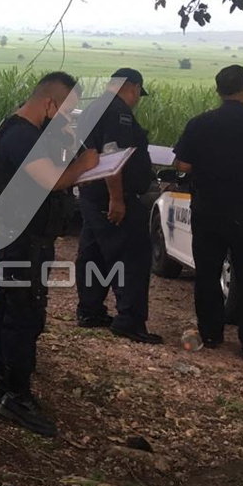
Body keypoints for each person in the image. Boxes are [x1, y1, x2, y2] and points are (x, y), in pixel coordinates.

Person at [0, 72, 100, 437]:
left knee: (6, 304)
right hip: (24, 239)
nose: (67, 118)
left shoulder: (19, 129)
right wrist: (85, 165)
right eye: (66, 111)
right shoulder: (22, 136)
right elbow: (52, 180)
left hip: (15, 234)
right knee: (24, 314)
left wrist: (65, 141)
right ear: (49, 103)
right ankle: (17, 397)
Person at [173, 65, 243, 360]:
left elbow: (183, 165)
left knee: (207, 274)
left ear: (218, 91)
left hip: (208, 211)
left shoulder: (199, 124)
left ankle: (211, 334)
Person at [74, 68, 162, 344]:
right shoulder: (117, 111)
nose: (136, 100)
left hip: (91, 193)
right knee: (131, 256)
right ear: (133, 87)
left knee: (93, 253)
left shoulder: (92, 108)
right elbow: (113, 157)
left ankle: (90, 310)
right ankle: (130, 320)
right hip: (110, 195)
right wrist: (117, 198)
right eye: (138, 94)